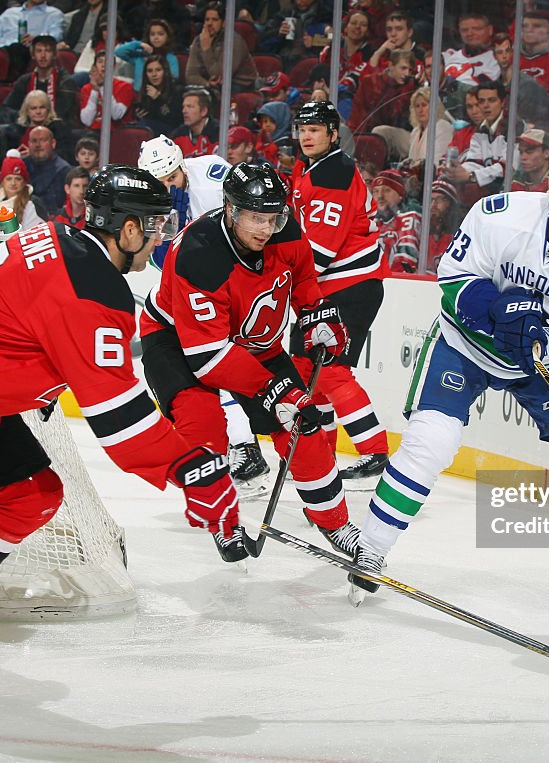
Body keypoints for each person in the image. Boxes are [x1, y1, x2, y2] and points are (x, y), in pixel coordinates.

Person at [0, 165, 243, 646]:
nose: (156, 239)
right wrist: (190, 469)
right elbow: (120, 422)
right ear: (127, 229)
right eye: (153, 227)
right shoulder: (94, 290)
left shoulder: (59, 238)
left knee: (32, 492)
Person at [349, 143, 549, 612]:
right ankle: (370, 550)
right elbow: (453, 281)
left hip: (545, 364)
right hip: (465, 346)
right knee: (430, 442)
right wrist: (497, 309)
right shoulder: (499, 215)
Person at [138, 162, 361, 563]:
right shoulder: (198, 253)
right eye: (255, 218)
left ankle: (335, 521)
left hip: (252, 342)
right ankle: (223, 522)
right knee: (204, 430)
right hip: (179, 344)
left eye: (272, 218)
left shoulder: (284, 230)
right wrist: (275, 390)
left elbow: (304, 278)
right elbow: (207, 358)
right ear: (230, 208)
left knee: (302, 428)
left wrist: (317, 314)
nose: (265, 228)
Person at [136, 136, 269, 492]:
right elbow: (164, 265)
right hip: (198, 292)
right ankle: (243, 446)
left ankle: (247, 446)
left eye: (172, 179)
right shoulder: (151, 205)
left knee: (218, 364)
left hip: (238, 281)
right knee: (205, 367)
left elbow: (250, 225)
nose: (168, 188)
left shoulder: (214, 175)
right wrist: (171, 229)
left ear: (182, 165)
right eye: (160, 183)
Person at [289, 101, 389, 482]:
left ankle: (374, 449)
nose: (307, 135)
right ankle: (320, 453)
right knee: (303, 371)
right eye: (303, 128)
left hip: (349, 286)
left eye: (315, 129)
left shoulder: (335, 173)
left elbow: (320, 251)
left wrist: (285, 288)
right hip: (326, 287)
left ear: (333, 134)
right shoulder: (311, 168)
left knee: (328, 371)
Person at [185, 1, 258, 92]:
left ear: (224, 23)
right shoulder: (198, 40)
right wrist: (207, 84)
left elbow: (220, 76)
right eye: (207, 19)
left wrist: (206, 49)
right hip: (211, 85)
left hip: (239, 86)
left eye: (214, 20)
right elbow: (190, 75)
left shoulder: (233, 41)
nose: (209, 23)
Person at [0, 151, 46, 232]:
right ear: (2, 181)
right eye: (9, 179)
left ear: (24, 182)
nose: (13, 183)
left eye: (18, 179)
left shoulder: (32, 203)